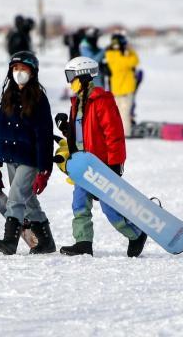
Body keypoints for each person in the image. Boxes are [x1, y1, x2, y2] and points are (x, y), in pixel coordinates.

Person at [56, 56, 147, 257]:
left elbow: (114, 135)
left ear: (83, 76)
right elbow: (81, 134)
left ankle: (136, 234)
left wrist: (115, 164)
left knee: (110, 209)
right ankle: (83, 242)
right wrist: (66, 128)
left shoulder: (102, 101)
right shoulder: (77, 102)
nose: (69, 82)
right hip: (83, 164)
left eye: (71, 76)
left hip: (102, 165)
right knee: (79, 204)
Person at [0, 51, 55, 255]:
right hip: (9, 157)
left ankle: (10, 242)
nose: (19, 72)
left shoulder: (39, 100)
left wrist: (44, 170)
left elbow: (44, 136)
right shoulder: (7, 96)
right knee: (29, 201)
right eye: (15, 69)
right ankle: (46, 242)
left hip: (30, 159)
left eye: (23, 69)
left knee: (16, 199)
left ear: (32, 72)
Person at [104, 32, 139, 136]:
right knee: (124, 114)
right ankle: (126, 135)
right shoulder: (123, 58)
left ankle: (116, 133)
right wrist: (130, 50)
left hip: (116, 89)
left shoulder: (109, 55)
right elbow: (135, 61)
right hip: (126, 89)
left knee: (117, 114)